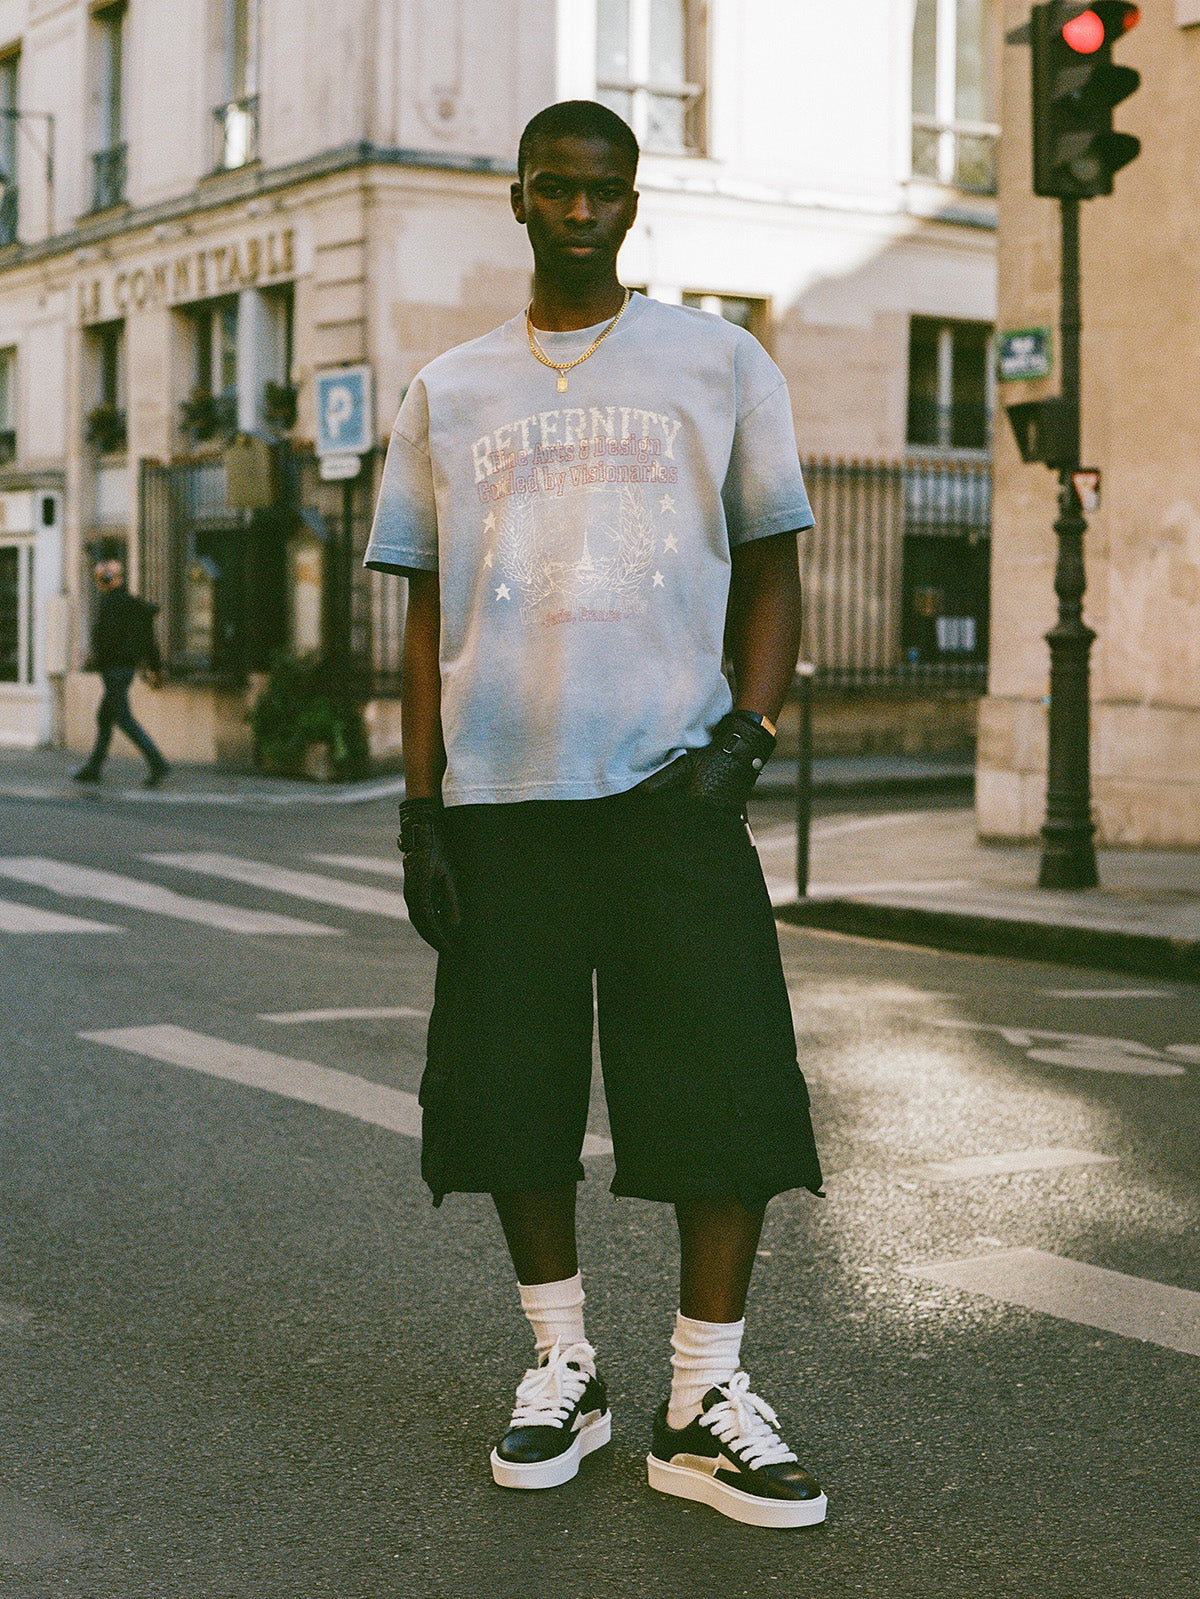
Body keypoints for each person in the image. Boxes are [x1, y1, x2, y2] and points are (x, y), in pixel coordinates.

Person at [365, 99, 827, 1529]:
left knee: (725, 1086)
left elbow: (772, 565)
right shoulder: (448, 389)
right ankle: (563, 1360)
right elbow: (426, 609)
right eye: (555, 189)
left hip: (672, 790)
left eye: (604, 191)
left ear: (633, 203)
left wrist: (746, 738)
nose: (581, 212)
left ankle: (704, 1395)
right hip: (504, 802)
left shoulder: (719, 361)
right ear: (518, 197)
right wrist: (423, 807)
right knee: (512, 1095)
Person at [73, 559, 170, 788]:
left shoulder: (113, 603)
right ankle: (94, 768)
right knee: (104, 717)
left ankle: (157, 763)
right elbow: (149, 641)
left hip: (115, 670)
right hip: (122, 669)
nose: (98, 582)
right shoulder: (131, 604)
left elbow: (106, 640)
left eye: (101, 578)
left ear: (110, 580)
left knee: (123, 719)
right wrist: (156, 668)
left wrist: (99, 661)